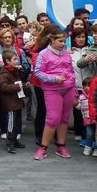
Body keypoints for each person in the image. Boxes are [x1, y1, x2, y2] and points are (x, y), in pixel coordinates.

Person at [33, 26, 76, 160]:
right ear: (51, 40)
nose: (63, 44)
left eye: (64, 41)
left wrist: (74, 92)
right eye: (60, 41)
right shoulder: (44, 54)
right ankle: (43, 148)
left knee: (64, 119)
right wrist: (54, 79)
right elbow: (38, 72)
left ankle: (61, 146)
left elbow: (71, 71)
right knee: (53, 119)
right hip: (52, 90)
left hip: (68, 88)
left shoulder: (66, 53)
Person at [0, 50, 30, 153]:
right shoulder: (4, 73)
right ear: (8, 61)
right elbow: (3, 87)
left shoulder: (15, 70)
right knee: (11, 124)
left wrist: (24, 85)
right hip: (10, 103)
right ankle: (10, 143)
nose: (17, 61)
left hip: (17, 101)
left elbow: (19, 82)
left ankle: (15, 140)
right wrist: (18, 86)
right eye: (14, 59)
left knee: (17, 123)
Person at [77, 77, 96, 156]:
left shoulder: (95, 96)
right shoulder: (81, 97)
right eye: (84, 86)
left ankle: (96, 148)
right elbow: (78, 107)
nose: (86, 88)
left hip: (95, 117)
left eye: (89, 85)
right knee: (89, 133)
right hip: (87, 119)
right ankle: (88, 146)